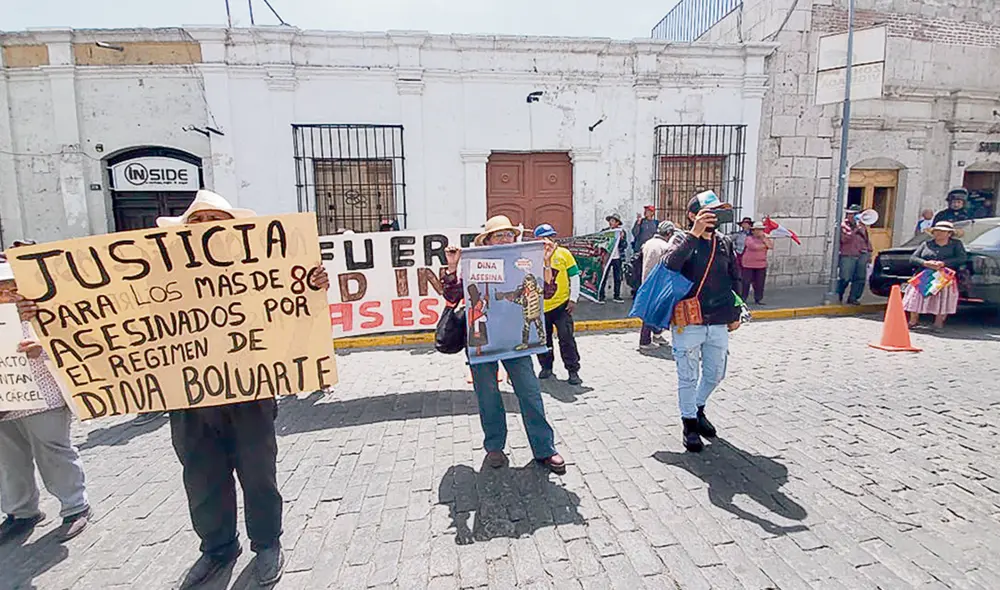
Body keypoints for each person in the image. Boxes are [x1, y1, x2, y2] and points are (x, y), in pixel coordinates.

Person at [17, 190, 331, 588]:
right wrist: (48, 320)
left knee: (259, 476)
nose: (205, 229)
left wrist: (315, 285)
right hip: (186, 399)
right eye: (197, 222)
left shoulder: (259, 272)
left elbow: (297, 313)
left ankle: (267, 544)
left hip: (250, 396)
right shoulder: (157, 280)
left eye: (215, 221)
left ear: (232, 230)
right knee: (201, 478)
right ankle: (218, 548)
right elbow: (113, 321)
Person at [442, 215, 566, 475]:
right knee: (488, 396)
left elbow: (548, 292)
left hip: (515, 340)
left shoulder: (524, 263)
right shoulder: (473, 263)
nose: (506, 239)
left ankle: (545, 448)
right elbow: (453, 296)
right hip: (482, 338)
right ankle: (494, 446)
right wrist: (453, 268)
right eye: (499, 235)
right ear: (487, 240)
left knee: (530, 393)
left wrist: (544, 262)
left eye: (509, 235)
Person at [1, 251, 91, 546]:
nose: (7, 294)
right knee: (9, 460)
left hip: (44, 398)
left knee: (54, 452)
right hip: (5, 404)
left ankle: (75, 506)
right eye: (1, 289)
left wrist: (42, 347)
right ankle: (21, 512)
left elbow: (76, 342)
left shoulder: (46, 311)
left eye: (12, 287)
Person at [663, 191, 741, 453]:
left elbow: (735, 277)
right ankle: (689, 425)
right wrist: (694, 234)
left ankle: (697, 408)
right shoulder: (681, 239)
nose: (714, 216)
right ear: (692, 215)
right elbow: (671, 264)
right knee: (687, 376)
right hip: (688, 321)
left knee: (715, 373)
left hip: (718, 320)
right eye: (709, 211)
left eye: (717, 211)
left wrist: (735, 313)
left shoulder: (724, 242)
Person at [532, 224, 583, 386]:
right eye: (543, 238)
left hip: (561, 306)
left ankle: (572, 370)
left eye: (550, 237)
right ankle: (546, 367)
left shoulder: (564, 254)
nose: (548, 241)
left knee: (566, 338)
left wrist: (573, 298)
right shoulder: (532, 257)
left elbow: (574, 276)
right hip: (540, 308)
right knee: (543, 340)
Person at [904, 221, 966, 331]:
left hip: (944, 276)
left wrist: (944, 263)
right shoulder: (927, 244)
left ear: (949, 234)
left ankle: (938, 323)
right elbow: (913, 258)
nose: (939, 233)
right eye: (937, 231)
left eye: (942, 231)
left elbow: (961, 258)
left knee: (942, 300)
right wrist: (925, 263)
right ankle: (913, 321)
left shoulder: (956, 244)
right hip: (924, 274)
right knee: (916, 298)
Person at [638, 221, 677, 350]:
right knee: (651, 311)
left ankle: (657, 334)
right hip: (657, 282)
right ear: (669, 233)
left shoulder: (648, 243)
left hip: (646, 280)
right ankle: (645, 340)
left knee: (656, 309)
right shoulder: (665, 246)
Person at [838, 204, 872, 305]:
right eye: (853, 214)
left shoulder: (863, 226)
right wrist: (855, 230)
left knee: (860, 278)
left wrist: (869, 252)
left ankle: (853, 297)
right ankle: (838, 294)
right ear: (849, 215)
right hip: (849, 254)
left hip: (862, 254)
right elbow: (844, 239)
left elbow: (866, 240)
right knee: (845, 277)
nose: (855, 216)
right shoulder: (844, 225)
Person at [740, 221, 774, 305]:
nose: (759, 231)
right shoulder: (749, 238)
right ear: (753, 231)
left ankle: (758, 299)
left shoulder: (765, 238)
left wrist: (764, 239)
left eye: (761, 230)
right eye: (757, 230)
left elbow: (771, 246)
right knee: (746, 282)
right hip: (748, 264)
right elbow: (753, 247)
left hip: (761, 264)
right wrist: (764, 245)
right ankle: (743, 298)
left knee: (759, 283)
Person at [631, 205, 660, 295]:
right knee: (638, 271)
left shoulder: (656, 223)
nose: (646, 212)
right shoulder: (640, 222)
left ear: (652, 212)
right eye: (645, 210)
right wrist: (638, 224)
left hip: (651, 251)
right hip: (640, 251)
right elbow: (635, 233)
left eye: (648, 211)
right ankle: (637, 290)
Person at [599, 213, 626, 304]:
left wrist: (621, 239)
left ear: (617, 223)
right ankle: (601, 295)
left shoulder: (621, 232)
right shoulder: (604, 231)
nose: (611, 222)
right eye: (610, 221)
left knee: (617, 277)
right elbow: (600, 242)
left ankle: (617, 295)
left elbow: (624, 245)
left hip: (617, 257)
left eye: (613, 221)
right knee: (604, 276)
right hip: (607, 257)